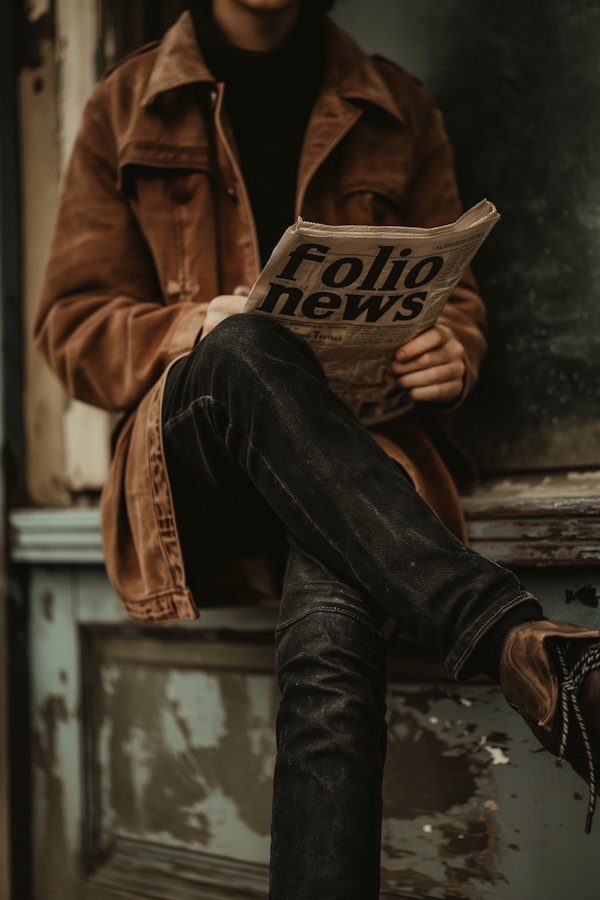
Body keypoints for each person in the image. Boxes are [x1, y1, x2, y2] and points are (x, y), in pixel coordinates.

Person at [34, 0, 600, 895]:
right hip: (197, 456)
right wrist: (191, 326)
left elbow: (458, 294)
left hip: (356, 453)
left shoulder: (395, 104)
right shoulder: (125, 103)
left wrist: (455, 348)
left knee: (332, 628)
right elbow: (70, 325)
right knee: (244, 348)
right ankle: (508, 635)